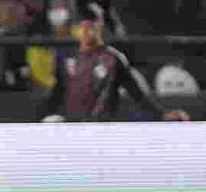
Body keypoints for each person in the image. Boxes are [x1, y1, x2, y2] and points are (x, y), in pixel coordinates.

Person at [41, 14, 190, 122]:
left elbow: (137, 93)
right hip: (71, 126)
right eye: (84, 27)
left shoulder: (113, 58)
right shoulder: (66, 56)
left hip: (103, 127)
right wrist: (46, 115)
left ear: (100, 28)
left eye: (93, 26)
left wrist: (162, 114)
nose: (88, 31)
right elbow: (58, 91)